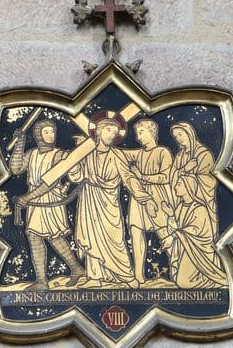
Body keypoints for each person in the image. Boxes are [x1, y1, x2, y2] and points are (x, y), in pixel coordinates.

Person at [69, 117, 158, 288]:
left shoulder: (117, 155)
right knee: (90, 236)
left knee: (115, 240)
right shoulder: (87, 153)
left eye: (115, 133)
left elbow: (129, 178)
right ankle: (95, 277)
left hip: (109, 203)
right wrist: (75, 159)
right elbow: (77, 176)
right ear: (98, 131)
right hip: (89, 199)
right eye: (108, 130)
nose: (112, 135)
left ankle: (126, 276)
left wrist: (144, 198)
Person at [10, 120, 84, 290]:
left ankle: (71, 271)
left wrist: (27, 198)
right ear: (38, 135)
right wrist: (20, 144)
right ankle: (45, 279)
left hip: (50, 199)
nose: (51, 135)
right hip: (35, 201)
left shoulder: (59, 155)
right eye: (46, 132)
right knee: (38, 237)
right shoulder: (32, 153)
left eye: (52, 131)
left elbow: (49, 182)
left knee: (53, 236)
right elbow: (15, 169)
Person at [125, 119, 173, 284]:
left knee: (164, 232)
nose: (138, 137)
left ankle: (177, 269)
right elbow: (119, 153)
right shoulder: (138, 153)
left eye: (141, 132)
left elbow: (166, 177)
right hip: (139, 197)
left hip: (158, 196)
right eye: (137, 133)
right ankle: (138, 275)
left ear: (152, 132)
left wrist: (142, 176)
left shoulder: (162, 152)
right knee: (136, 231)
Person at [161, 174, 227, 289]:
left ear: (188, 187)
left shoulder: (199, 208)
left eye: (179, 184)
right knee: (179, 280)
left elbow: (194, 231)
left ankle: (207, 279)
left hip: (198, 251)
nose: (175, 187)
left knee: (184, 283)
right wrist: (171, 215)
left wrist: (173, 236)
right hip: (185, 247)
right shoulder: (180, 207)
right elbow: (176, 228)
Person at [170, 122, 218, 236]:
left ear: (189, 133)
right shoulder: (179, 156)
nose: (179, 139)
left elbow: (208, 181)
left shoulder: (203, 154)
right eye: (176, 137)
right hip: (184, 205)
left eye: (180, 134)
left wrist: (187, 178)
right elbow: (173, 179)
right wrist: (185, 169)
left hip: (201, 203)